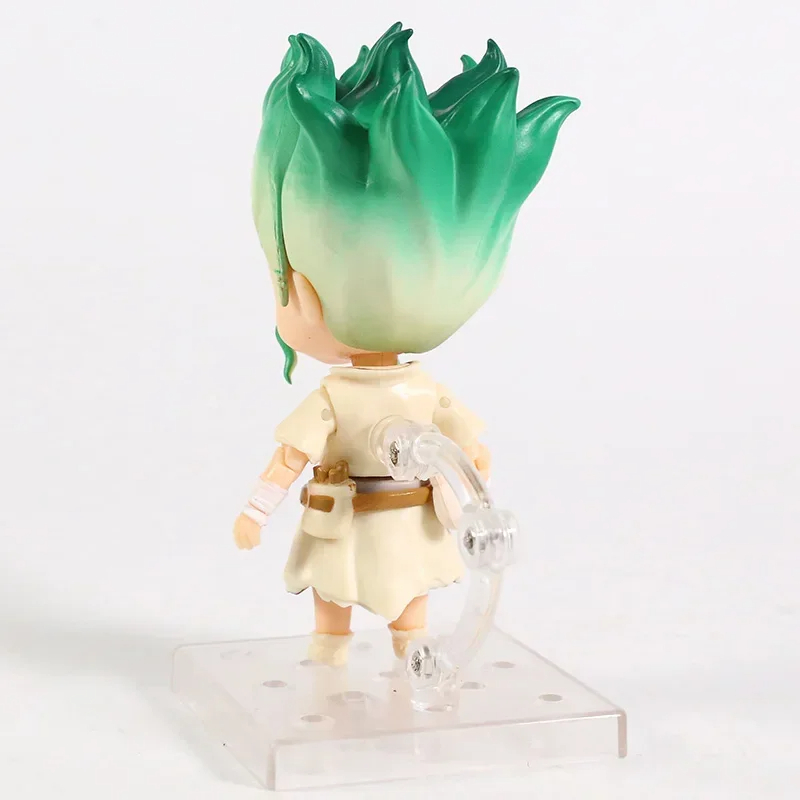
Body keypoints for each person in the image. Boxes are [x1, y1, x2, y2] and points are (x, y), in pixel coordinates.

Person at [233, 23, 579, 665]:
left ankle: (392, 655)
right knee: (344, 593)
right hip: (349, 515)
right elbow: (299, 456)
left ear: (300, 293)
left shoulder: (375, 395)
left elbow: (292, 457)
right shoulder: (387, 394)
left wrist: (466, 487)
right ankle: (340, 656)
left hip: (396, 515)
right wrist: (257, 509)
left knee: (401, 592)